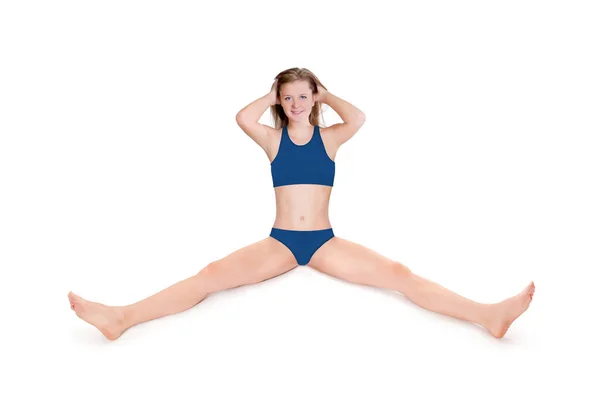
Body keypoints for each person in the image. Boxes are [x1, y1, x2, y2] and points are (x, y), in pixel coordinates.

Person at [68, 67, 535, 340]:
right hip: (283, 242)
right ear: (279, 100)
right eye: (286, 96)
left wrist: (326, 93)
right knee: (209, 275)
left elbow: (360, 117)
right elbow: (240, 117)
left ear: (314, 99)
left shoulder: (330, 138)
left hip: (324, 242)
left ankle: (487, 315)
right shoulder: (272, 140)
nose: (294, 102)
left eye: (302, 95)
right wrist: (271, 93)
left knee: (399, 275)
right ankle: (121, 317)